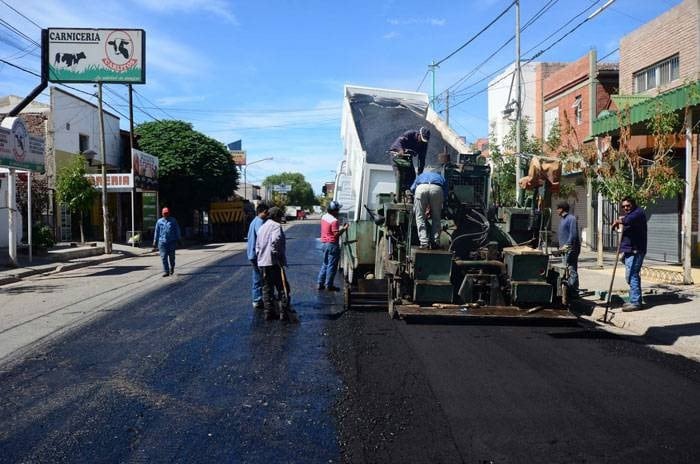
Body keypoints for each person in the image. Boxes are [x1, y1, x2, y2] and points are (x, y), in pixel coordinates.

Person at [612, 196, 647, 311]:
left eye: (628, 205)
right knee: (631, 276)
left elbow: (628, 220)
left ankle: (636, 302)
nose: (626, 208)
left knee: (632, 275)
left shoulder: (638, 213)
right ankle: (634, 299)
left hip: (635, 250)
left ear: (633, 204)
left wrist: (618, 221)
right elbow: (626, 219)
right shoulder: (630, 214)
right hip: (629, 250)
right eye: (623, 206)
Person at [255, 207, 290, 320]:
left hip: (262, 263)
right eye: (280, 217)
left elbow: (258, 246)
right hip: (273, 262)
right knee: (282, 287)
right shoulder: (275, 226)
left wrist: (260, 256)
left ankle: (268, 313)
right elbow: (276, 241)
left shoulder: (262, 227)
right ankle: (284, 312)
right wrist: (277, 256)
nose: (280, 220)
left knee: (267, 288)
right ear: (276, 217)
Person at [389, 126, 431, 202]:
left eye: (424, 141)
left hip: (407, 158)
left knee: (412, 175)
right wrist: (400, 150)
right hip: (397, 155)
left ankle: (408, 193)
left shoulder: (424, 144)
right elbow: (399, 142)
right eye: (421, 139)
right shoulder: (410, 134)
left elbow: (422, 158)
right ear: (419, 134)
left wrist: (420, 171)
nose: (422, 142)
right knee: (399, 174)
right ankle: (400, 193)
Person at [410, 171, 448, 249]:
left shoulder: (421, 175)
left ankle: (424, 242)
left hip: (421, 188)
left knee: (420, 216)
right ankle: (435, 241)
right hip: (436, 189)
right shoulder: (440, 177)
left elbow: (412, 188)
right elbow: (445, 192)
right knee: (436, 217)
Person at [317, 201, 349, 291]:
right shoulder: (334, 221)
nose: (338, 211)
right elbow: (336, 234)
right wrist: (344, 228)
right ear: (334, 211)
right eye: (337, 210)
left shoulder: (324, 217)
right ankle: (329, 285)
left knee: (325, 264)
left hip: (324, 244)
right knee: (332, 265)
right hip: (332, 244)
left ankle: (320, 283)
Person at [246, 202, 269, 310]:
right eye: (267, 213)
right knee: (261, 278)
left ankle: (257, 299)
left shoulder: (254, 221)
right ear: (263, 212)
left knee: (257, 277)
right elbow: (262, 238)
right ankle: (259, 299)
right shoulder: (259, 222)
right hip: (257, 255)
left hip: (252, 254)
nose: (268, 215)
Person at [556, 201, 580, 298]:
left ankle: (572, 292)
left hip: (570, 249)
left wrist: (567, 246)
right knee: (568, 270)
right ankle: (573, 291)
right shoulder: (563, 219)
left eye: (557, 208)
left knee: (571, 270)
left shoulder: (571, 219)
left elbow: (573, 235)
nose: (556, 210)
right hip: (564, 250)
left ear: (561, 209)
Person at [152, 207, 181, 277]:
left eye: (167, 213)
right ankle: (166, 271)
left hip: (172, 242)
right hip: (162, 242)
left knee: (171, 257)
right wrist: (154, 241)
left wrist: (179, 239)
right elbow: (157, 232)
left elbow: (177, 230)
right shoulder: (159, 221)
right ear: (162, 213)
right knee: (163, 257)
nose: (166, 214)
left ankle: (172, 267)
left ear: (169, 213)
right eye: (164, 213)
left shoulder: (173, 220)